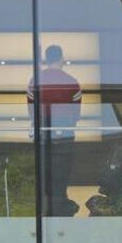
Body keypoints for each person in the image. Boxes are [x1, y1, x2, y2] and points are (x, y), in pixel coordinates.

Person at [28, 45, 82, 216]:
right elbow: (76, 112)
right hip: (65, 133)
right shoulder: (72, 82)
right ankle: (59, 212)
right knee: (61, 176)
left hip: (43, 132)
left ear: (46, 59)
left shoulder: (35, 81)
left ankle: (47, 212)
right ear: (61, 59)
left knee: (45, 178)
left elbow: (31, 109)